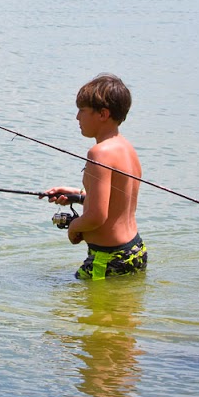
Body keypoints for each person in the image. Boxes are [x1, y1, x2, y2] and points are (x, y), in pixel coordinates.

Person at [44, 73, 147, 280]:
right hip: (134, 250)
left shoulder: (98, 153)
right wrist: (78, 195)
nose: (77, 117)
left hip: (107, 258)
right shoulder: (126, 148)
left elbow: (97, 216)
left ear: (103, 114)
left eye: (82, 110)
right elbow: (116, 200)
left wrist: (73, 228)